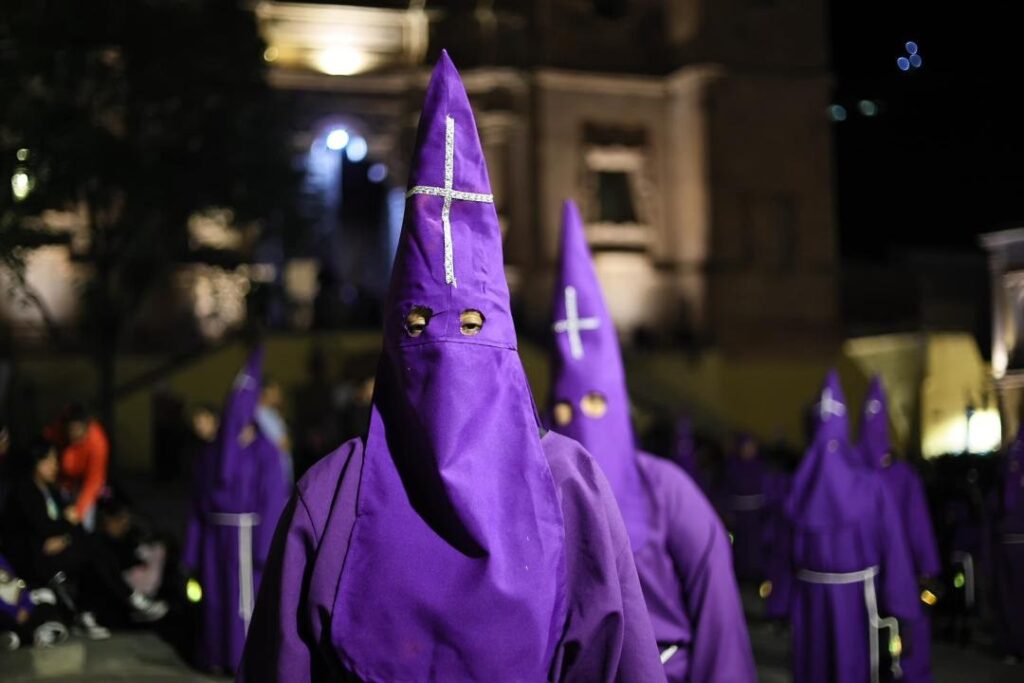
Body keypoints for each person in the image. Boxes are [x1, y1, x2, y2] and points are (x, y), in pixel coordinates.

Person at [238, 53, 664, 683]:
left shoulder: (571, 487)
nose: (445, 349)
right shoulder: (331, 495)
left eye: (471, 326)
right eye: (417, 326)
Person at [546, 199, 755, 682]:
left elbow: (718, 615)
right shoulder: (540, 492)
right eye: (564, 411)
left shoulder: (667, 490)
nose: (580, 422)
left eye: (596, 403)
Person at [767, 371, 920, 683]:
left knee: (815, 668)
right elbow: (893, 547)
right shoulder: (871, 487)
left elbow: (783, 555)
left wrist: (780, 603)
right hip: (858, 600)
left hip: (812, 600)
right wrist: (901, 606)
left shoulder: (797, 489)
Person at [184, 347, 289, 674]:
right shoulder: (212, 454)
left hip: (246, 537)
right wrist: (192, 548)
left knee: (243, 601)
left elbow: (274, 499)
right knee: (216, 598)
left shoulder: (265, 454)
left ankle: (243, 660)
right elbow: (198, 502)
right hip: (215, 536)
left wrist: (265, 547)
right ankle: (216, 656)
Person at [1, 440, 167, 639]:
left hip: (56, 551)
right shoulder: (24, 491)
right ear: (37, 463)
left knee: (94, 549)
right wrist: (64, 525)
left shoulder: (52, 491)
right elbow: (42, 528)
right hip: (34, 559)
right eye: (51, 461)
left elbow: (74, 524)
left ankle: (94, 611)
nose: (55, 466)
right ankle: (129, 600)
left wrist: (64, 535)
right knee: (93, 550)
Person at [858, 376, 940, 682]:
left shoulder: (860, 475)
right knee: (901, 626)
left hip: (873, 568)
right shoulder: (898, 476)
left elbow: (916, 521)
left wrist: (926, 565)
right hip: (890, 567)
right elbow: (918, 524)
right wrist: (927, 565)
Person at [44, 405, 109, 531]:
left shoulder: (98, 443)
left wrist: (79, 510)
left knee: (85, 522)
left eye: (78, 429)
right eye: (71, 429)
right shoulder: (56, 432)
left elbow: (94, 481)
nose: (74, 434)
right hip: (60, 481)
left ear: (87, 427)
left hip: (84, 484)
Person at [719, 433, 772, 582]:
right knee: (741, 548)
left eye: (751, 447)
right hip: (739, 517)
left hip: (756, 516)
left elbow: (767, 490)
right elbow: (726, 490)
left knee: (755, 548)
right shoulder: (732, 467)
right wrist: (728, 512)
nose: (748, 450)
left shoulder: (760, 467)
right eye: (745, 447)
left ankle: (756, 576)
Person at [994, 425, 1024, 662]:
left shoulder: (1015, 452)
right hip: (1014, 535)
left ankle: (1013, 646)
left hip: (1012, 535)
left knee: (1012, 596)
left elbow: (1008, 500)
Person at [0, 553, 67, 650]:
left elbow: (16, 584)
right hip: (7, 612)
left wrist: (25, 606)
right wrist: (15, 611)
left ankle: (39, 630)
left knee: (44, 595)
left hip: (17, 604)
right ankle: (21, 636)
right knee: (7, 620)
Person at [255, 376, 293, 486]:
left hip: (282, 473)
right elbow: (283, 443)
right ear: (265, 391)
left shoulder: (273, 413)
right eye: (275, 390)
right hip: (272, 475)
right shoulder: (258, 414)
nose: (279, 394)